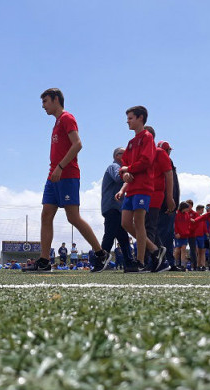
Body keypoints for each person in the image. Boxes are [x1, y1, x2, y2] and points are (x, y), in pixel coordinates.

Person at [24, 88, 111, 273]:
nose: (43, 106)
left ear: (56, 99)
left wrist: (61, 167)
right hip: (53, 175)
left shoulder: (67, 118)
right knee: (46, 215)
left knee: (73, 217)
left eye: (45, 101)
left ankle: (101, 253)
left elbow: (78, 144)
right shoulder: (56, 123)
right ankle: (44, 260)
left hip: (67, 174)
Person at [115, 106, 165, 272]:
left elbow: (146, 161)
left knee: (139, 223)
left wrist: (128, 170)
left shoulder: (147, 137)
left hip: (143, 187)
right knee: (125, 223)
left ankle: (141, 261)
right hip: (132, 189)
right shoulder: (130, 143)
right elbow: (124, 166)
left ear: (140, 118)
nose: (127, 121)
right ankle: (155, 250)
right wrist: (125, 175)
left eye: (130, 118)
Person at [142, 127, 175, 272]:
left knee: (150, 227)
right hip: (143, 194)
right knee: (144, 226)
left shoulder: (160, 153)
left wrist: (170, 197)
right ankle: (160, 256)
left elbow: (169, 175)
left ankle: (154, 260)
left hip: (155, 194)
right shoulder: (142, 154)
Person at [100, 147, 136, 271]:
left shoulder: (119, 167)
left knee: (123, 237)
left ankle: (129, 262)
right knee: (110, 235)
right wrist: (129, 172)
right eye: (124, 154)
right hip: (112, 206)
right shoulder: (114, 167)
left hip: (117, 208)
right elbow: (118, 177)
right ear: (117, 156)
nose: (127, 155)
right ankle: (100, 260)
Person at [155, 141, 182, 271]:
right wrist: (169, 201)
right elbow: (168, 185)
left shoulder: (166, 162)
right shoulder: (165, 162)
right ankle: (164, 261)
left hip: (169, 205)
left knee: (167, 234)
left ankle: (169, 262)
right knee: (162, 234)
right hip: (166, 205)